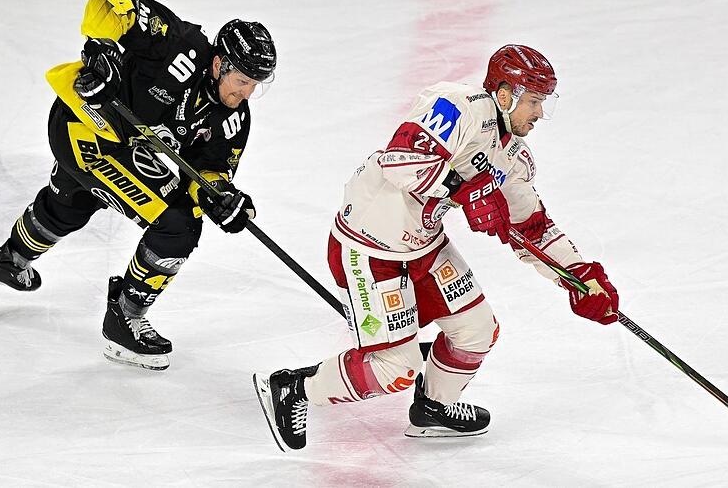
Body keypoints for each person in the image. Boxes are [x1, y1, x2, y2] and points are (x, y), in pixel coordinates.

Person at [253, 44, 619, 451]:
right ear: (504, 94)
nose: (539, 113)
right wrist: (461, 189)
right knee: (397, 368)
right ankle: (293, 388)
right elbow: (399, 161)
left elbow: (532, 228)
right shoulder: (457, 106)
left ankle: (433, 407)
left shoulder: (513, 157)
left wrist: (579, 277)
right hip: (370, 245)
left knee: (477, 331)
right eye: (533, 101)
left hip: (424, 244)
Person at [0, 0, 276, 371]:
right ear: (218, 64)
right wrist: (103, 50)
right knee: (178, 224)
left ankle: (10, 258)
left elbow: (209, 172)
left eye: (256, 84)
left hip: (118, 144)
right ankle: (124, 319)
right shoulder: (178, 44)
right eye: (243, 80)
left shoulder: (233, 118)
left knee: (71, 203)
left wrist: (221, 196)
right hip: (83, 127)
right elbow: (106, 2)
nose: (247, 92)